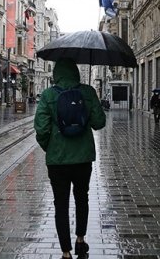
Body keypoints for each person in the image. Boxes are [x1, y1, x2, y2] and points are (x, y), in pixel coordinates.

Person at [34, 58, 106, 259]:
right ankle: (81, 240)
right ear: (76, 72)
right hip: (83, 158)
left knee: (61, 204)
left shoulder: (48, 95)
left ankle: (66, 252)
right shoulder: (88, 92)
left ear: (56, 74)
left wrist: (50, 147)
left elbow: (40, 127)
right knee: (82, 198)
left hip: (57, 160)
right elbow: (99, 123)